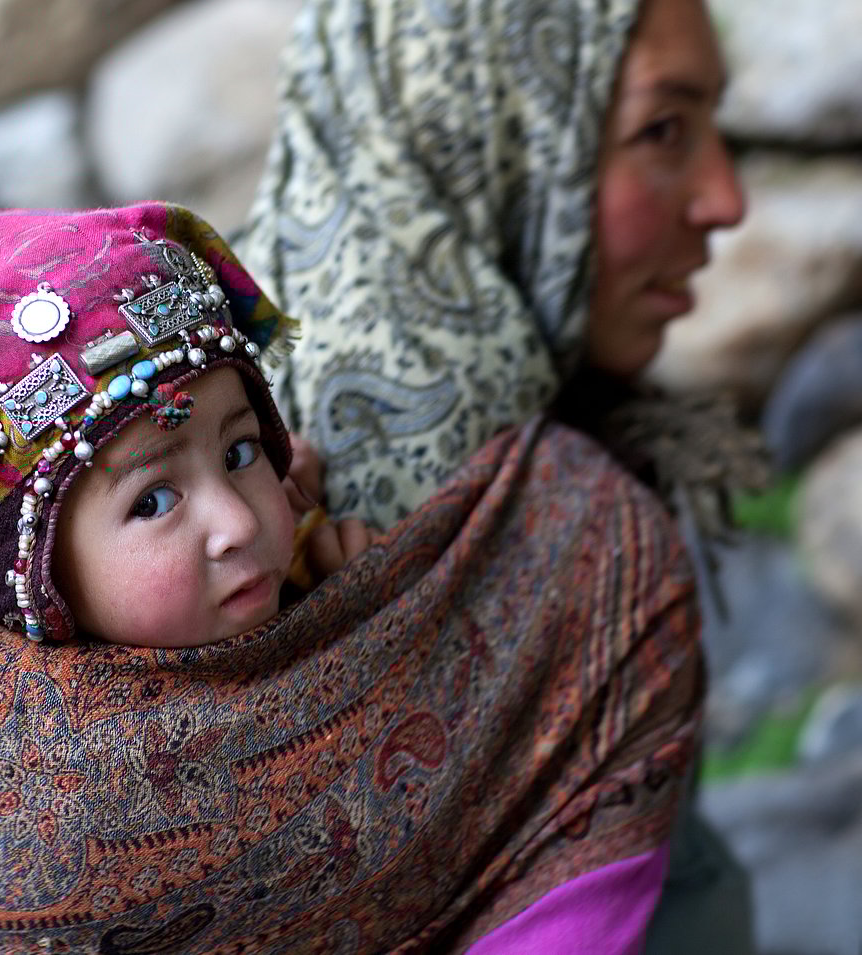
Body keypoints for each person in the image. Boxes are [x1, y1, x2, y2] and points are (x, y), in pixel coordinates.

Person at [0, 203, 702, 952]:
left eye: (240, 451)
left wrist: (365, 625)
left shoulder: (359, 607)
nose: (237, 522)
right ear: (22, 579)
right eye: (153, 501)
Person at [240, 0, 761, 949]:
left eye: (710, 122)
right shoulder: (435, 490)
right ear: (477, 127)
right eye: (663, 129)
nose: (726, 199)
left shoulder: (226, 387)